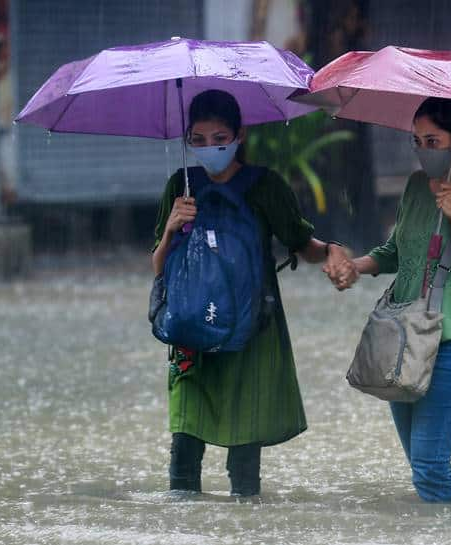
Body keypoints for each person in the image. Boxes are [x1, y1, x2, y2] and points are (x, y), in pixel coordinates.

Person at [152, 89, 349, 497]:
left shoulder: (266, 187)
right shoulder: (180, 185)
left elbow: (301, 245)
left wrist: (329, 251)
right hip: (191, 329)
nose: (210, 148)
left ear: (240, 135)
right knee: (184, 446)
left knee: (244, 460)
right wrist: (172, 227)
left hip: (252, 330)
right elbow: (159, 268)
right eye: (199, 140)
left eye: (219, 138)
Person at [324, 97, 451, 502]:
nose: (423, 150)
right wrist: (356, 266)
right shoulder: (413, 187)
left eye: (432, 140)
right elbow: (395, 252)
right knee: (425, 466)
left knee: (428, 466)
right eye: (417, 141)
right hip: (405, 343)